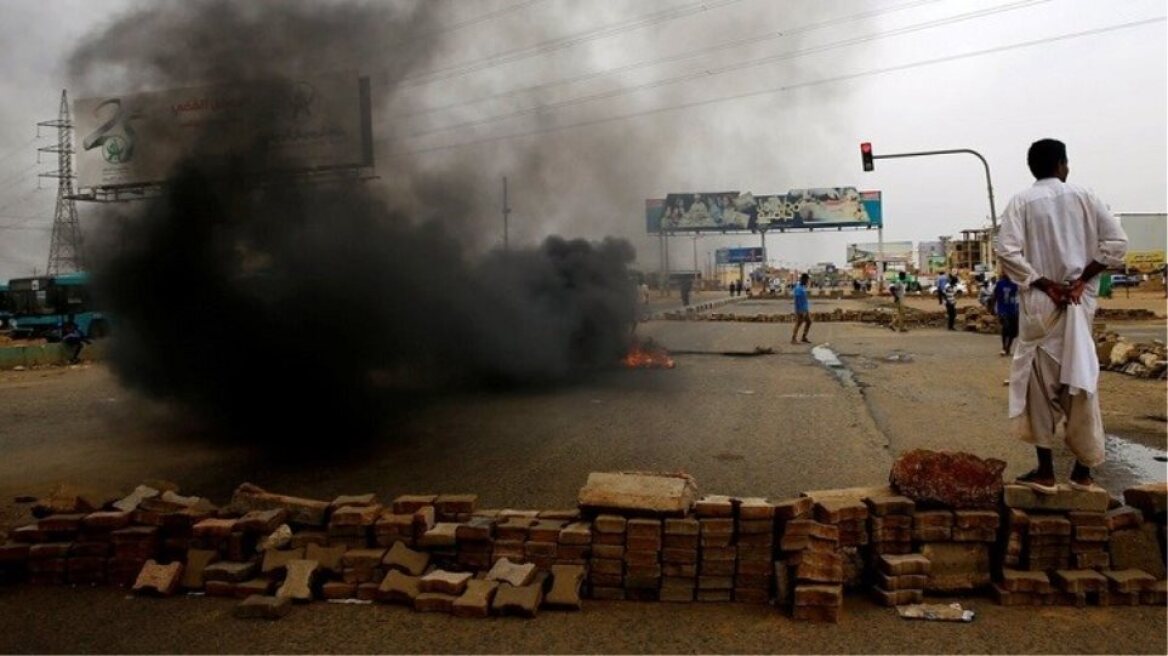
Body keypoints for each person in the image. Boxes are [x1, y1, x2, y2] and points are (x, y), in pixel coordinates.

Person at [994, 138, 1128, 494]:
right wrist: (1081, 279)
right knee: (1082, 381)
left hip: (1040, 306)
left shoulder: (1020, 202)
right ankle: (1083, 472)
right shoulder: (1087, 196)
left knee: (1038, 386)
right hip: (1078, 305)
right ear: (1061, 165)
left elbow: (1005, 250)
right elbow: (1116, 245)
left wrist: (1045, 284)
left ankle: (1046, 471)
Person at [992, 273, 1020, 355]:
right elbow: (995, 295)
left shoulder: (1016, 283)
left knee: (1014, 331)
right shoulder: (1000, 283)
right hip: (1003, 309)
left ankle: (1008, 347)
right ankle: (1004, 347)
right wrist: (992, 307)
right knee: (1006, 327)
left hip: (1014, 310)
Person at [791, 273, 811, 344]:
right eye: (806, 280)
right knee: (798, 323)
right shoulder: (798, 288)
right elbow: (797, 300)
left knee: (809, 322)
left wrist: (806, 309)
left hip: (805, 309)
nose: (807, 282)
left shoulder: (802, 287)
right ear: (803, 279)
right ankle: (793, 339)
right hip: (800, 310)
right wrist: (800, 311)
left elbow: (804, 299)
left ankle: (804, 337)